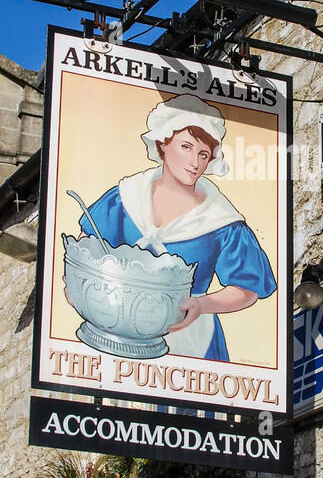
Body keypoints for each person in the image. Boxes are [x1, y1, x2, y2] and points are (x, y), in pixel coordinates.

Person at [79, 94, 276, 361]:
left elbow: (247, 288)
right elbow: (86, 249)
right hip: (120, 330)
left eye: (203, 154)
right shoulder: (125, 198)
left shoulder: (223, 222)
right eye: (186, 147)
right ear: (163, 143)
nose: (195, 163)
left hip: (192, 342)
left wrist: (202, 304)